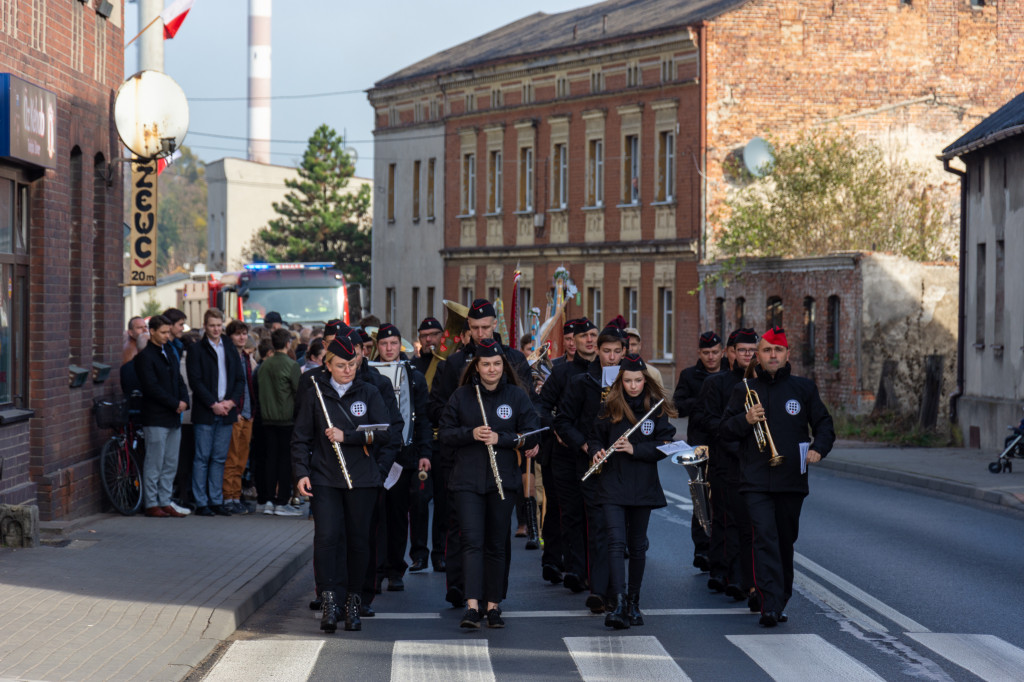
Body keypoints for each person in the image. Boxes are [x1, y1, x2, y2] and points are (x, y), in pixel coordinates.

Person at [720, 327, 835, 627]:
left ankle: (780, 596)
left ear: (787, 356)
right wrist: (745, 420)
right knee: (764, 537)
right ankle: (769, 602)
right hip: (755, 479)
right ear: (758, 355)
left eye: (778, 351)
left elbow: (824, 425)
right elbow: (724, 431)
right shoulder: (744, 390)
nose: (773, 356)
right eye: (768, 350)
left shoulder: (803, 389)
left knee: (785, 540)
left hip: (791, 479)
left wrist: (818, 449)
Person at [427, 298, 532, 607]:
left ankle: (493, 594)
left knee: (497, 535)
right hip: (463, 460)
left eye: (486, 327)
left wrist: (528, 438)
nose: (481, 333)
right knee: (460, 528)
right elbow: (435, 407)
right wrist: (464, 417)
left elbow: (530, 407)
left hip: (503, 461)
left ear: (495, 324)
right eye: (474, 328)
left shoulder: (513, 360)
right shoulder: (455, 362)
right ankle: (461, 587)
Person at [438, 338, 541, 629]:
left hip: (503, 482)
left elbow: (533, 434)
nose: (492, 369)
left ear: (503, 366)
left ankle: (493, 606)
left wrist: (503, 439)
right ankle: (472, 606)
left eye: (496, 364)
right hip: (467, 481)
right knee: (472, 542)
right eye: (486, 364)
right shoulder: (461, 396)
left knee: (497, 544)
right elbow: (444, 434)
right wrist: (471, 434)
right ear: (477, 367)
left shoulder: (517, 397)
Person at [292, 336, 392, 633]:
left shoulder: (370, 392)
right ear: (327, 364)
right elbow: (300, 438)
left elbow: (385, 435)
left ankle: (353, 600)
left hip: (361, 479)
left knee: (359, 541)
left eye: (351, 364)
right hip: (325, 477)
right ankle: (330, 600)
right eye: (340, 365)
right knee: (327, 539)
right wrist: (300, 472)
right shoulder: (315, 393)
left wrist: (347, 437)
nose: (347, 370)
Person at [586, 354, 676, 628]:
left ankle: (635, 604)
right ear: (620, 381)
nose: (633, 385)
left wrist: (636, 449)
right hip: (613, 483)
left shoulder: (656, 408)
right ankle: (620, 602)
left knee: (637, 546)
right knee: (616, 542)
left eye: (638, 380)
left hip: (642, 485)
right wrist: (595, 451)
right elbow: (594, 437)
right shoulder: (609, 406)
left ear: (645, 380)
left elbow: (665, 444)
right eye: (628, 380)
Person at [554, 325, 627, 613]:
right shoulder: (581, 382)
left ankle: (618, 590)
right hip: (592, 464)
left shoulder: (633, 379)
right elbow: (562, 421)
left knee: (618, 532)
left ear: (624, 352)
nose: (611, 357)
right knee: (598, 527)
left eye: (616, 352)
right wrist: (585, 446)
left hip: (624, 465)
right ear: (597, 351)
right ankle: (599, 590)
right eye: (606, 351)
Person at [695, 329, 759, 607]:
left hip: (754, 465)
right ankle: (723, 573)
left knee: (749, 524)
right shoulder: (716, 383)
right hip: (725, 461)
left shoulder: (762, 384)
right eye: (742, 350)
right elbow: (710, 422)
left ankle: (741, 577)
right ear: (730, 353)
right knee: (725, 519)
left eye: (752, 350)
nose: (748, 355)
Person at [535, 317, 597, 587]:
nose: (588, 340)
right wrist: (556, 430)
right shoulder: (561, 373)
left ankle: (592, 569)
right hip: (562, 452)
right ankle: (571, 567)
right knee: (567, 511)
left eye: (593, 335)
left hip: (594, 453)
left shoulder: (606, 371)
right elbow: (541, 407)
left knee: (592, 512)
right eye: (583, 336)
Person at [374, 323, 432, 591]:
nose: (389, 349)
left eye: (394, 344)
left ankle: (395, 569)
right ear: (378, 346)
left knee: (398, 515)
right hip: (373, 455)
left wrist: (424, 453)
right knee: (375, 515)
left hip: (403, 455)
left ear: (401, 345)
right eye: (384, 344)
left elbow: (422, 418)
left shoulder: (414, 376)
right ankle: (375, 568)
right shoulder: (368, 375)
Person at [672, 331, 726, 571]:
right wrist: (704, 398)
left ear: (722, 351)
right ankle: (702, 549)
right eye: (706, 353)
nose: (711, 357)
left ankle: (720, 548)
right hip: (698, 444)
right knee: (701, 497)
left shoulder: (729, 374)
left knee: (723, 498)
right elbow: (678, 408)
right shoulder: (689, 376)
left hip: (724, 443)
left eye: (715, 352)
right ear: (699, 353)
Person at [186, 309, 244, 517]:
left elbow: (239, 378)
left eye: (219, 325)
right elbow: (196, 381)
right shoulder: (197, 349)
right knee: (202, 457)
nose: (216, 329)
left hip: (226, 410)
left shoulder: (228, 346)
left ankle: (216, 500)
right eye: (212, 325)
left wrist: (231, 402)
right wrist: (213, 403)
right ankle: (201, 502)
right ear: (205, 326)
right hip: (206, 411)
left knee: (219, 458)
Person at [134, 315, 190, 518]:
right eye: (164, 332)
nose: (168, 336)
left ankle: (165, 500)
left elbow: (179, 380)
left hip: (173, 416)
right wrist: (176, 403)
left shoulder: (169, 352)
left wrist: (184, 400)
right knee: (154, 462)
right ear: (153, 331)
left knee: (170, 462)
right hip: (156, 417)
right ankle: (151, 502)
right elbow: (151, 388)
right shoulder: (145, 357)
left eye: (168, 332)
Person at [256, 328, 303, 516]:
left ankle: (268, 500)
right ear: (287, 344)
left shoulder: (264, 365)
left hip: (266, 420)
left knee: (269, 461)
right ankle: (282, 501)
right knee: (284, 462)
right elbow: (299, 393)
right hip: (286, 420)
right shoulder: (291, 365)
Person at [222, 320, 256, 515]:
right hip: (236, 412)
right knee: (231, 457)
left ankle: (236, 495)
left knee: (242, 458)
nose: (242, 337)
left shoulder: (245, 356)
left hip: (247, 413)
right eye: (237, 334)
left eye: (244, 333)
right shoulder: (229, 356)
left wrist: (252, 412)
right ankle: (229, 496)